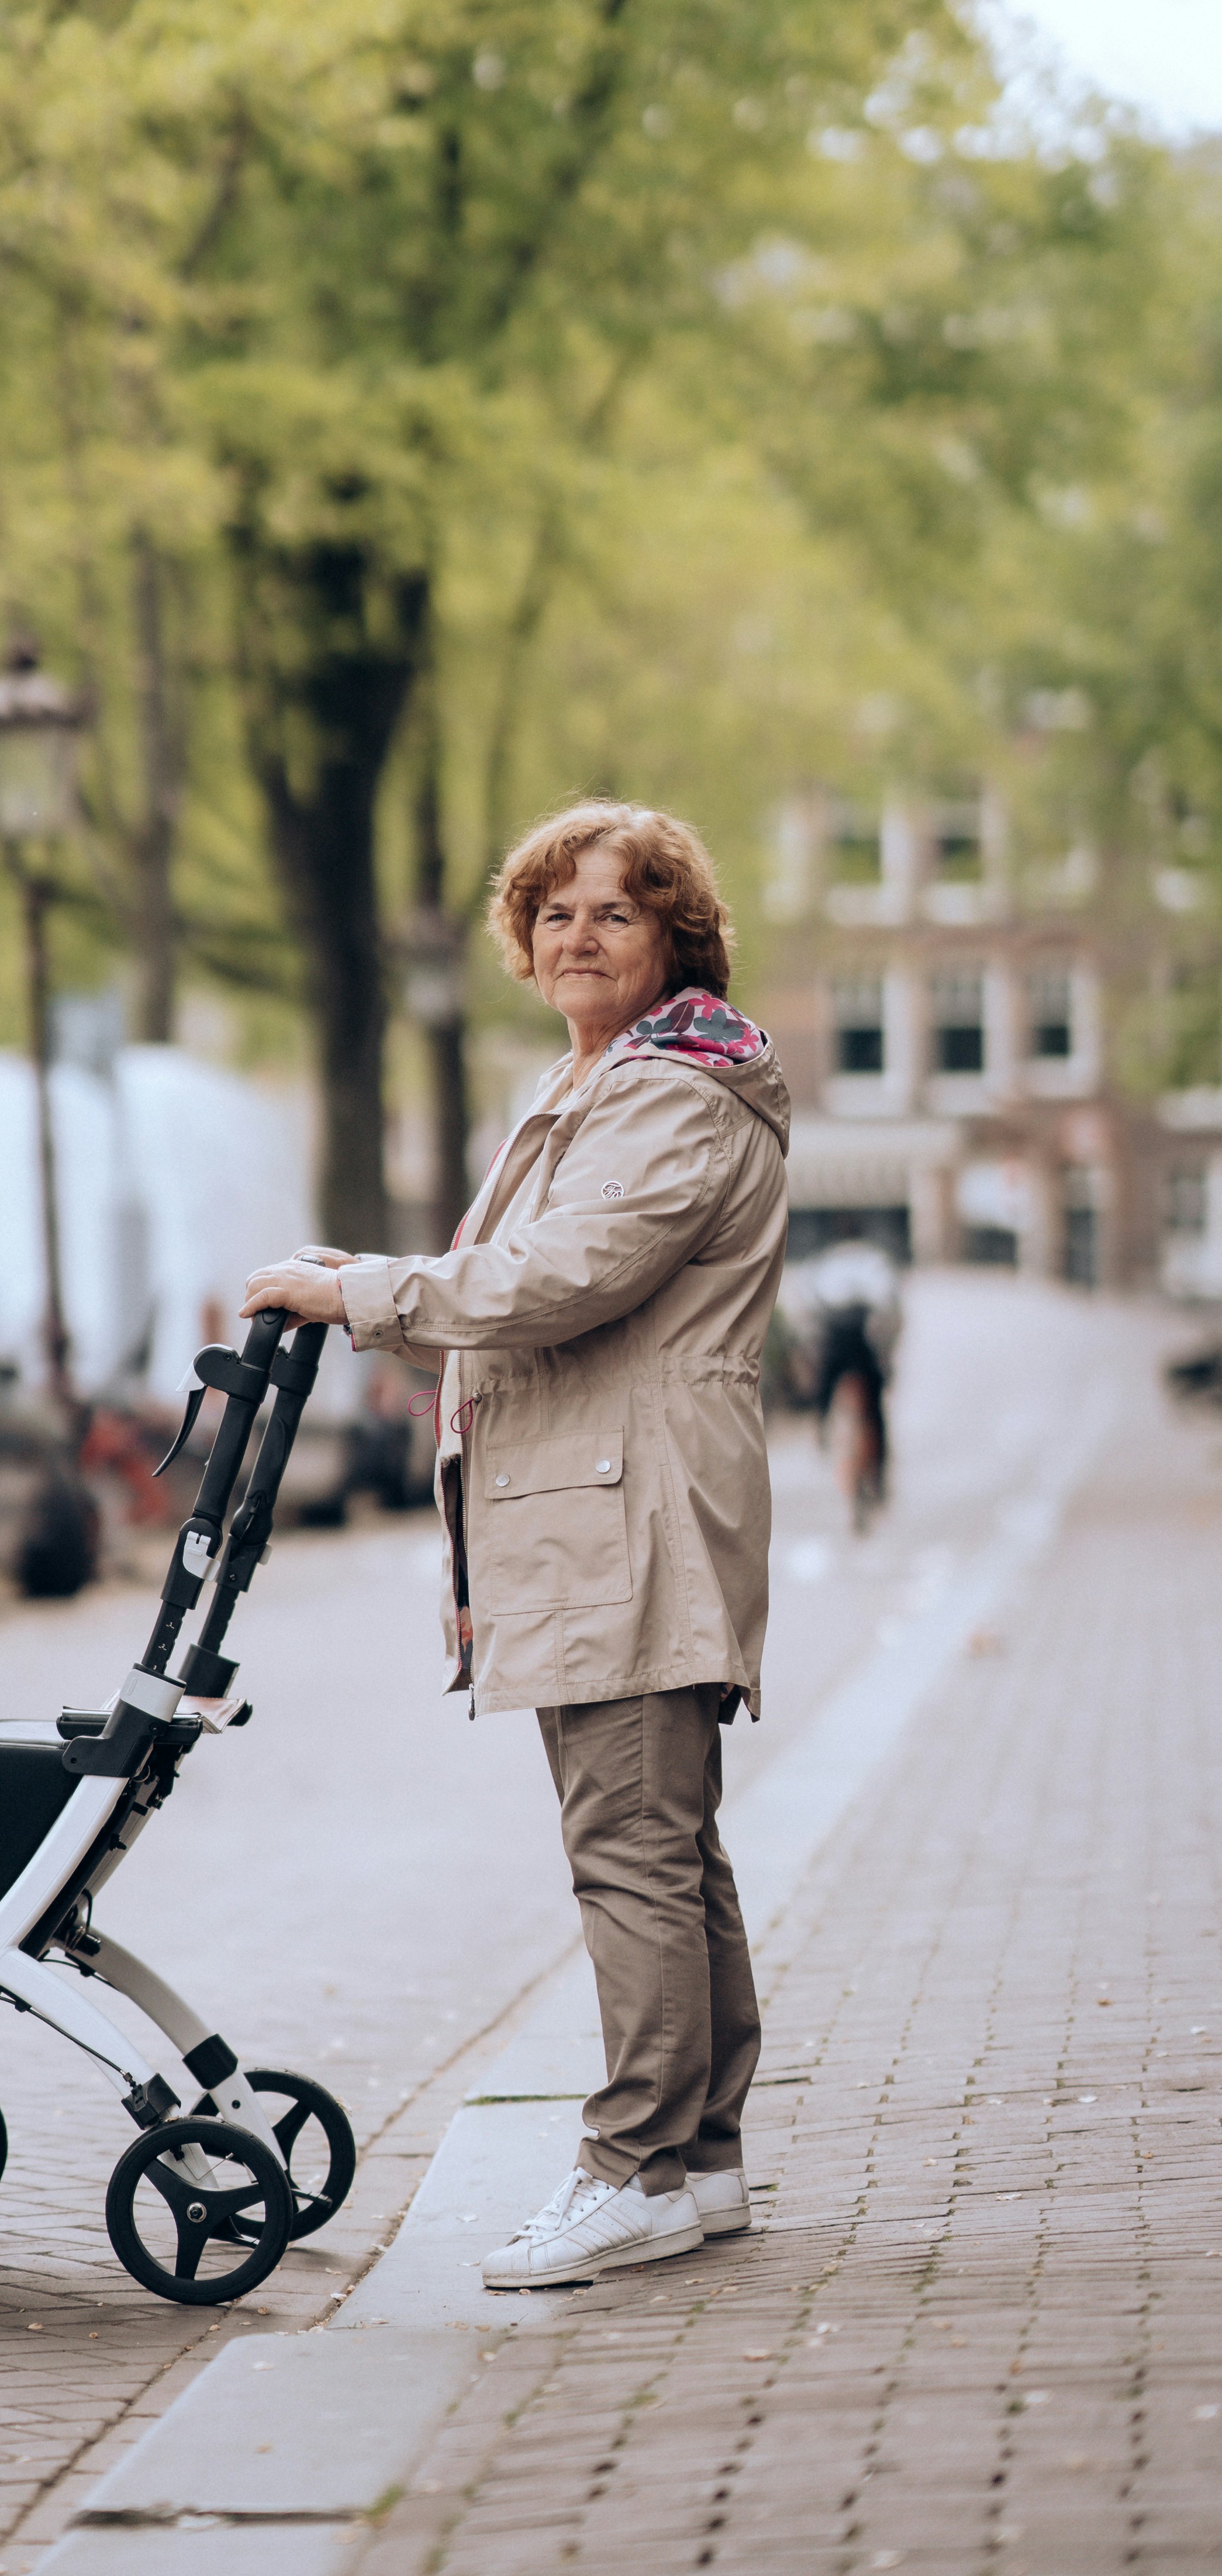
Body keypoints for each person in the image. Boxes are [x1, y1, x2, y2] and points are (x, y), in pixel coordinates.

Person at [243, 804, 790, 2288]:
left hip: (631, 1513)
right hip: (599, 1508)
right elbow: (522, 1277)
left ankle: (631, 2164)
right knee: (667, 1847)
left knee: (628, 1848)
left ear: (675, 934)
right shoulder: (600, 1080)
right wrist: (377, 1277)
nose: (575, 934)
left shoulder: (670, 1094)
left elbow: (561, 1276)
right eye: (551, 912)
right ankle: (700, 2157)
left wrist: (368, 1299)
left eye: (614, 912)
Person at [804, 1236, 902, 1495]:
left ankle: (822, 1429)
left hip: (836, 1345)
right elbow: (891, 1311)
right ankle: (880, 1474)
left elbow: (809, 1309)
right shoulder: (875, 1262)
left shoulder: (825, 1262)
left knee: (824, 1389)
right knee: (876, 1408)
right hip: (863, 1345)